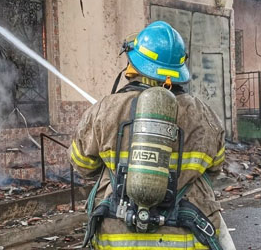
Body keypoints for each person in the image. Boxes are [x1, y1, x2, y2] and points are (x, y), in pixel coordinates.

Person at [69, 21, 237, 250]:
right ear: (178, 70)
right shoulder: (204, 115)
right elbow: (215, 168)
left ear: (135, 64)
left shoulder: (104, 110)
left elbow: (82, 165)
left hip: (117, 237)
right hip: (188, 236)